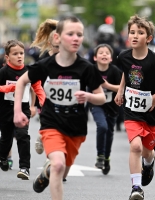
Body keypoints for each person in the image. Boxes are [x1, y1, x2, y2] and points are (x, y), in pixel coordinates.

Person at [13, 16, 106, 200]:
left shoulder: (86, 68)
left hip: (76, 128)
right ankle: (51, 170)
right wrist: (18, 110)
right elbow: (22, 82)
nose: (76, 38)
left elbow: (101, 97)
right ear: (57, 38)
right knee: (57, 164)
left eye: (79, 34)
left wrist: (88, 96)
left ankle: (46, 174)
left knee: (61, 169)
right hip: (51, 123)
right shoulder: (46, 65)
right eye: (70, 34)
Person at [114, 15, 155, 200]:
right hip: (131, 110)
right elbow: (127, 73)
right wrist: (120, 90)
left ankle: (148, 164)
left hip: (151, 112)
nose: (134, 36)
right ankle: (136, 187)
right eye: (132, 32)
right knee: (135, 146)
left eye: (140, 33)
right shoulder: (124, 56)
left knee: (147, 150)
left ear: (148, 38)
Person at [0, 40, 39, 180]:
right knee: (6, 139)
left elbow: (34, 89)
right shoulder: (3, 72)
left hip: (23, 109)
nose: (19, 56)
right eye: (15, 54)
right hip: (5, 109)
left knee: (22, 135)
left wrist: (32, 106)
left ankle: (24, 167)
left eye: (21, 53)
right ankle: (3, 158)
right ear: (7, 57)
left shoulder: (28, 71)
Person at [90, 43, 122, 175]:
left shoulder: (115, 71)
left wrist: (107, 85)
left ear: (111, 58)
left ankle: (107, 158)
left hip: (112, 106)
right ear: (95, 58)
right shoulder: (91, 70)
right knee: (102, 126)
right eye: (101, 52)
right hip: (97, 105)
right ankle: (100, 156)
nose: (104, 54)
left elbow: (122, 88)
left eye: (107, 53)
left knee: (109, 132)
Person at [30, 19, 59, 156]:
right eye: (57, 47)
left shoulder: (70, 61)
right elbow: (34, 83)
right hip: (46, 101)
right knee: (49, 128)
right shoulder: (43, 63)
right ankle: (42, 134)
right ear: (50, 44)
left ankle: (53, 161)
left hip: (63, 102)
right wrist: (34, 103)